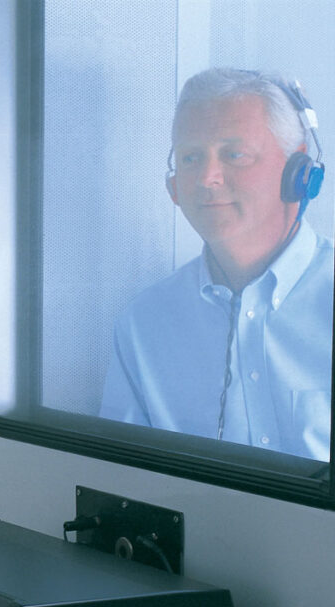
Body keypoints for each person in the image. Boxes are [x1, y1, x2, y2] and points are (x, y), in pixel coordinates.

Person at [100, 68, 334, 459]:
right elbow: (123, 483)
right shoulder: (143, 326)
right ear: (173, 186)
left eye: (234, 154)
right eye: (191, 157)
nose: (207, 177)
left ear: (299, 172)